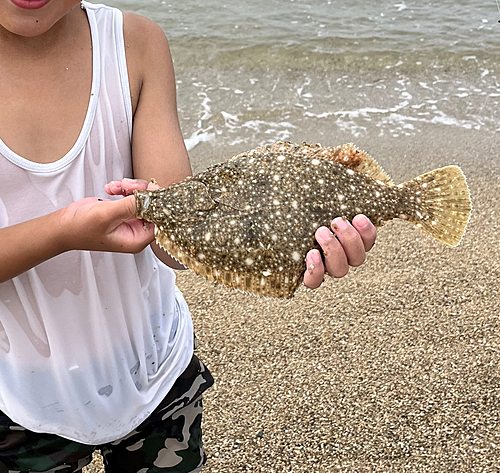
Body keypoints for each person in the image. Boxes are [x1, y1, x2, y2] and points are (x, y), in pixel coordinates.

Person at [0, 0, 377, 471]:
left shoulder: (136, 44)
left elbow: (174, 242)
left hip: (157, 372)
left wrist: (292, 238)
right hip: (17, 397)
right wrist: (62, 231)